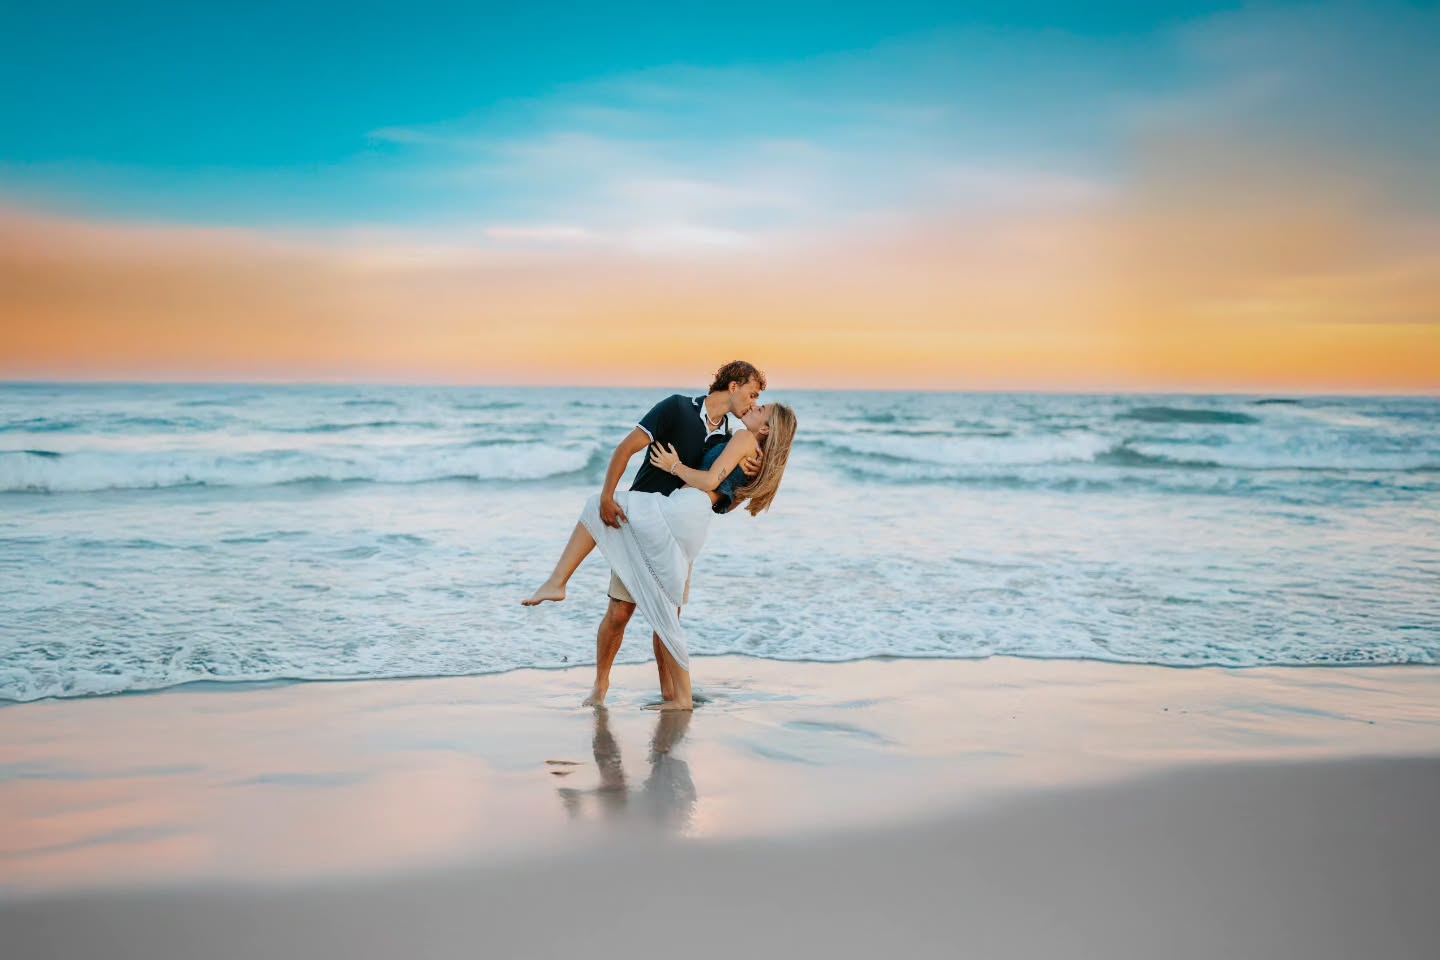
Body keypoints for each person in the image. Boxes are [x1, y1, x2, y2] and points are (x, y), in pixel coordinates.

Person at [523, 401, 798, 711]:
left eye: (761, 408)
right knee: (664, 611)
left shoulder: (743, 441)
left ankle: (558, 581)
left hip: (680, 512)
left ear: (765, 429)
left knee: (597, 508)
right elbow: (726, 499)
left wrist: (673, 466)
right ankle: (677, 696)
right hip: (693, 523)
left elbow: (709, 483)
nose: (754, 405)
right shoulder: (750, 452)